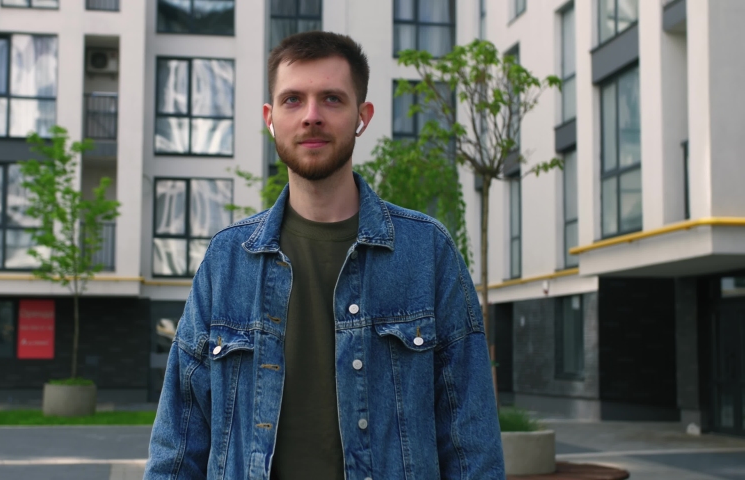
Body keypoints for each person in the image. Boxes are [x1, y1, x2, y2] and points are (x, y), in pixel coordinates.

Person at [144, 31, 504, 479]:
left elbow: (471, 443)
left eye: (332, 99)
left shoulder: (427, 251)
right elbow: (178, 441)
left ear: (362, 115)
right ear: (270, 117)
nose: (312, 116)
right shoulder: (227, 259)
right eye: (293, 100)